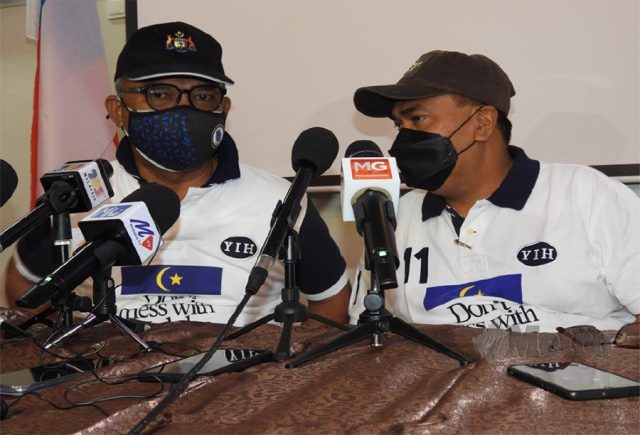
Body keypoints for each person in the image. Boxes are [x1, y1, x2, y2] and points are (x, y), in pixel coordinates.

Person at [5, 21, 350, 326]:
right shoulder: (78, 197)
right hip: (110, 377)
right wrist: (68, 364)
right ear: (118, 109)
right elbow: (24, 288)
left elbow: (331, 299)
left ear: (223, 108)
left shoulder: (279, 198)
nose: (183, 108)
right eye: (159, 94)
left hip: (241, 376)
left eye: (203, 95)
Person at [348, 50, 639, 333]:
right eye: (399, 125)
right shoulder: (393, 217)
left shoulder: (587, 196)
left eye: (418, 119)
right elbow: (365, 336)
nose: (403, 138)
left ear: (482, 123)